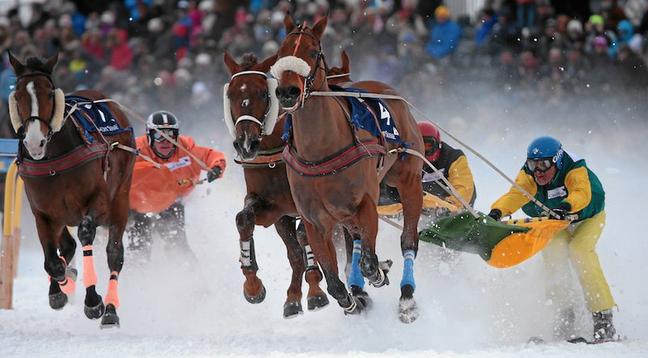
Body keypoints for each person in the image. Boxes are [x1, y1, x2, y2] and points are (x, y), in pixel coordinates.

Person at [488, 136, 617, 342]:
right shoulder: (529, 174)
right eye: (533, 164)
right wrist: (497, 211)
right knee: (553, 254)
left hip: (588, 217)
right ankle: (565, 315)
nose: (538, 171)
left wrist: (566, 206)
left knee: (580, 252)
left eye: (544, 165)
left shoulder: (574, 167)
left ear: (556, 160)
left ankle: (603, 320)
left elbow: (582, 193)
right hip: (557, 221)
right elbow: (517, 194)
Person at [127, 110, 226, 263]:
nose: (166, 141)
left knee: (178, 244)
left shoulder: (186, 148)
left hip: (171, 203)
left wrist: (217, 167)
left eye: (171, 135)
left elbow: (209, 155)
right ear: (149, 136)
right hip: (138, 207)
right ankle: (135, 280)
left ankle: (193, 282)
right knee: (140, 246)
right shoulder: (135, 150)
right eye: (160, 135)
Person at [378, 122, 476, 217]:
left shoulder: (453, 158)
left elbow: (462, 194)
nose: (422, 151)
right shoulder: (398, 161)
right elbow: (380, 200)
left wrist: (441, 207)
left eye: (427, 146)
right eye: (416, 146)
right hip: (416, 208)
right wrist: (404, 208)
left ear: (438, 145)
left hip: (452, 209)